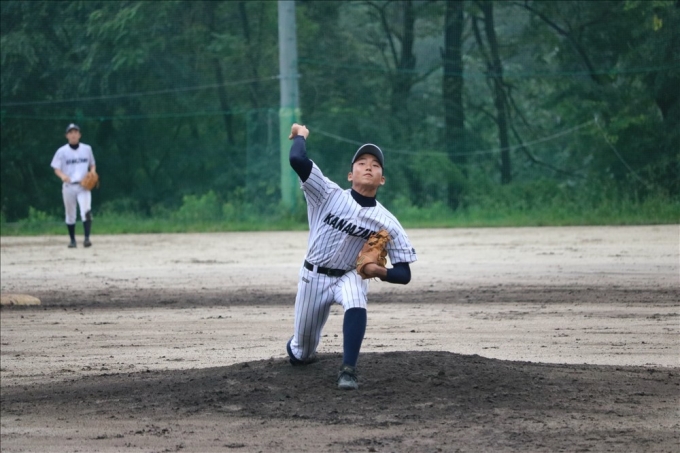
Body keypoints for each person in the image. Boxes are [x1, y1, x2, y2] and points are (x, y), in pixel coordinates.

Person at [286, 123, 417, 390]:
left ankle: (348, 370)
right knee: (302, 354)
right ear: (350, 175)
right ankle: (298, 347)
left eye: (375, 165)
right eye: (362, 163)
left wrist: (379, 271)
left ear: (382, 179)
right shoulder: (327, 194)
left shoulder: (387, 222)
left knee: (357, 295)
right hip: (313, 277)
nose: (369, 167)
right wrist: (301, 135)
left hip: (349, 274)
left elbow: (404, 274)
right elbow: (297, 159)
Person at [50, 123, 96, 248]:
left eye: (76, 132)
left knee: (86, 211)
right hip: (68, 186)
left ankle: (87, 239)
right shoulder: (62, 151)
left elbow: (92, 164)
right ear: (67, 136)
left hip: (84, 186)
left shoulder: (87, 149)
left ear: (80, 135)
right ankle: (72, 240)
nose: (73, 134)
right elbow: (56, 168)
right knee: (70, 213)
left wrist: (92, 172)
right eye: (70, 132)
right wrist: (62, 176)